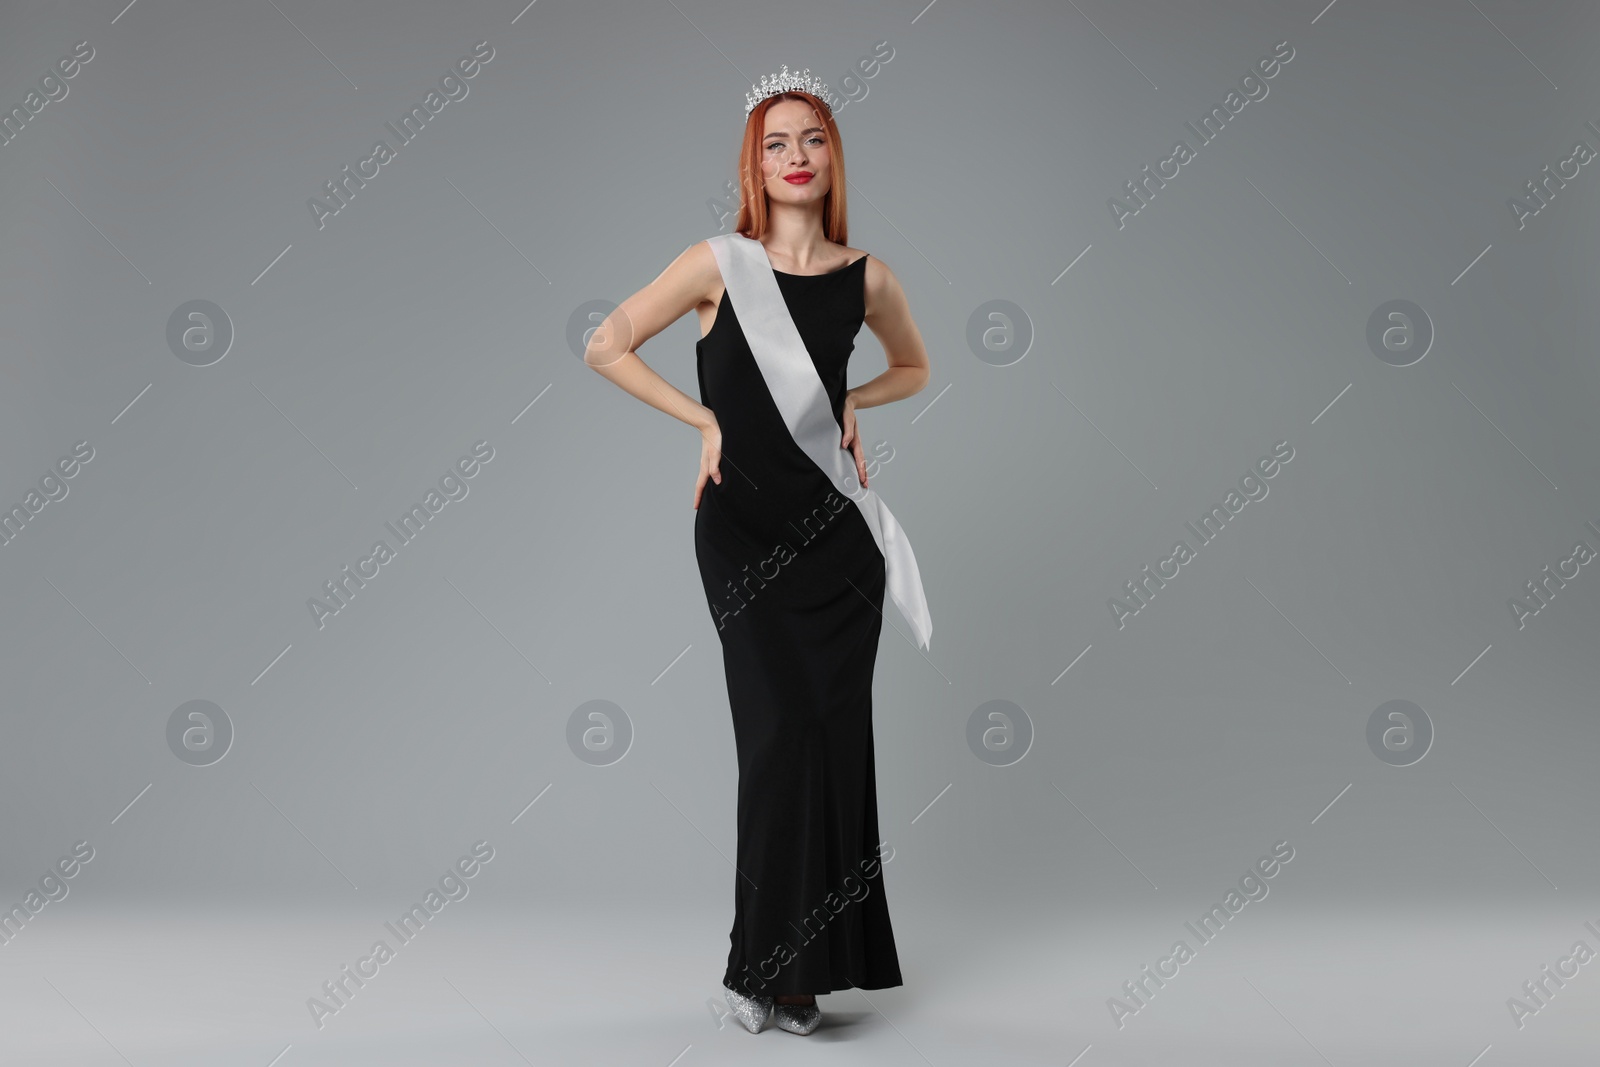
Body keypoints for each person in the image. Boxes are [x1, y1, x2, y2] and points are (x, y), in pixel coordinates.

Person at [584, 66, 933, 1037]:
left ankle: (802, 973)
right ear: (753, 160)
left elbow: (916, 363)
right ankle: (756, 965)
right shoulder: (715, 263)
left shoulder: (869, 277)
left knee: (831, 743)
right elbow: (605, 342)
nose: (794, 158)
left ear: (832, 158)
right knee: (774, 737)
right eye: (776, 143)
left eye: (811, 140)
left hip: (837, 545)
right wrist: (700, 419)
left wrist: (858, 400)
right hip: (741, 531)